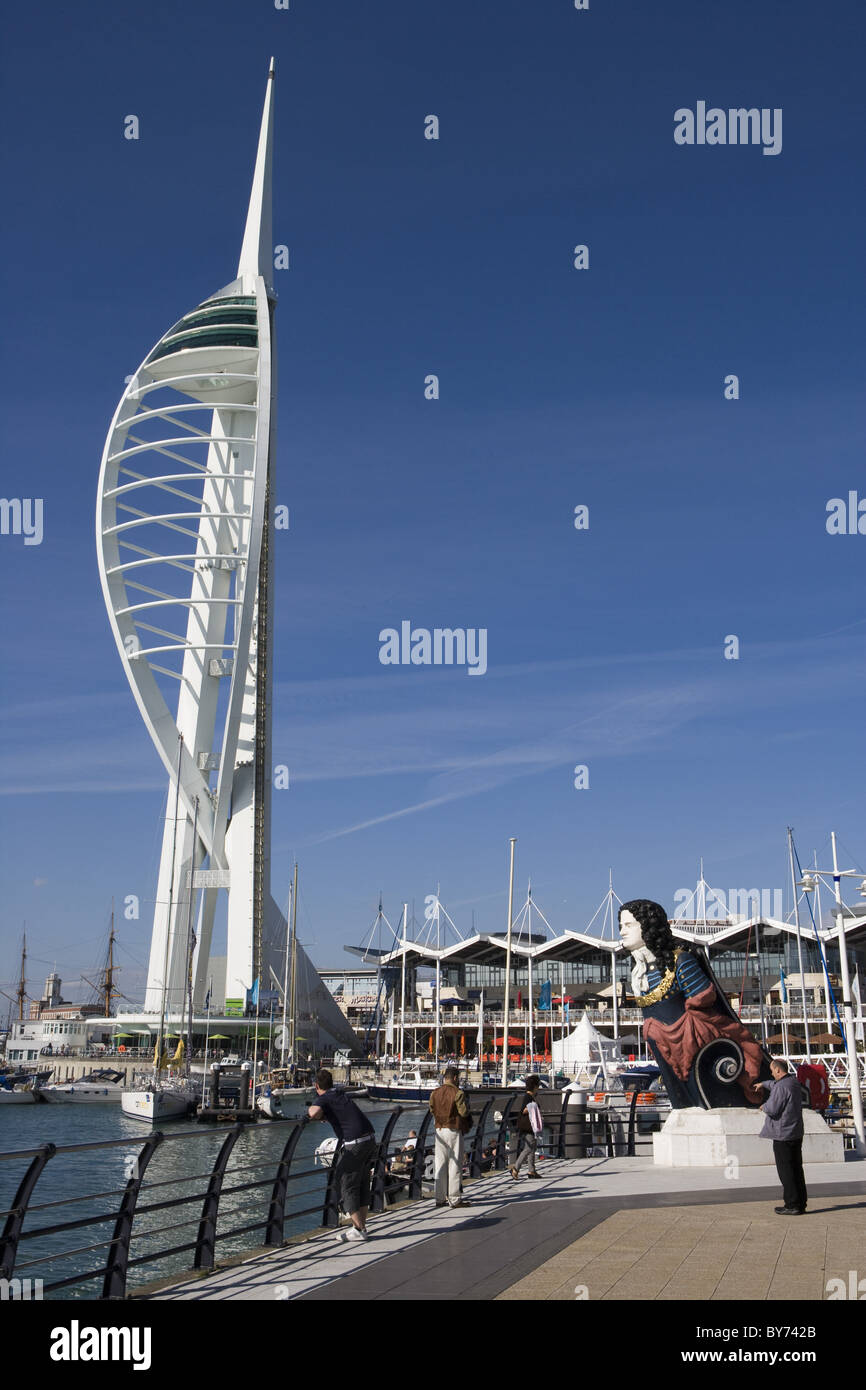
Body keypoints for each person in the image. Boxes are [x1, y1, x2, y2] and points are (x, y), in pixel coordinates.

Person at [308, 1067, 377, 1242]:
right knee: (361, 1182)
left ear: (317, 1086)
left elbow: (313, 1112)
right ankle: (361, 1227)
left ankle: (358, 1229)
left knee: (343, 1180)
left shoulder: (325, 1097)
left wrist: (314, 1115)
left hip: (355, 1144)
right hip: (369, 1138)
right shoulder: (338, 1093)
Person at [760, 1058, 807, 1216]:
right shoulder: (793, 1082)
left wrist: (763, 1106)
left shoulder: (781, 1087)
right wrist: (763, 1084)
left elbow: (773, 1109)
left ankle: (791, 1204)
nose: (772, 1073)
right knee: (796, 1168)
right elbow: (774, 1084)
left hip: (782, 1134)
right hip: (795, 1132)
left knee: (786, 1171)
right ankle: (801, 1203)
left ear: (778, 1070)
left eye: (772, 1071)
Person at [429, 1065, 471, 1209]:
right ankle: (454, 1198)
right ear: (454, 1078)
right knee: (454, 1165)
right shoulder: (458, 1093)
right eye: (458, 1078)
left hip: (439, 1130)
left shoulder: (435, 1093)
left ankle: (439, 1198)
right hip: (453, 1129)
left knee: (440, 1164)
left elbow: (432, 1109)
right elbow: (463, 1112)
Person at [510, 1075, 543, 1180]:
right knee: (528, 1148)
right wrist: (533, 1108)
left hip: (530, 1125)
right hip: (528, 1126)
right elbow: (524, 1110)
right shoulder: (528, 1097)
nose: (538, 1087)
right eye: (538, 1085)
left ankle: (531, 1170)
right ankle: (515, 1168)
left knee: (533, 1147)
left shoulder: (531, 1096)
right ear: (535, 1086)